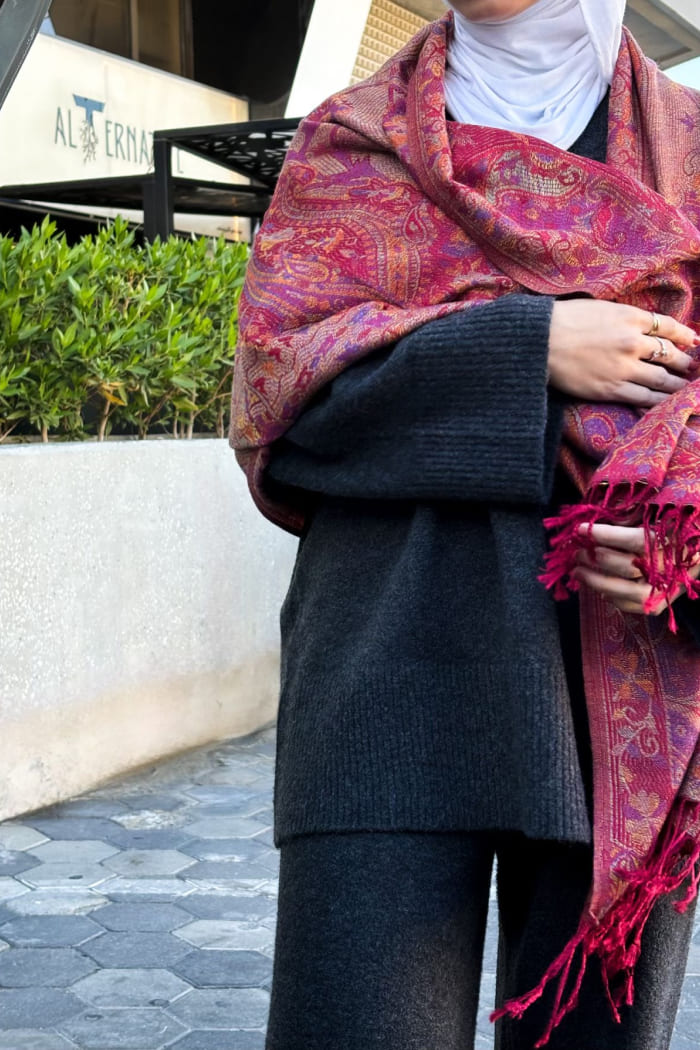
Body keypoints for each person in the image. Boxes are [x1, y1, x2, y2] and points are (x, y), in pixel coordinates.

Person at [230, 2, 700, 1047]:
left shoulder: (691, 149)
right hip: (387, 681)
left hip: (625, 694)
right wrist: (529, 347)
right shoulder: (353, 137)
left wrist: (689, 546)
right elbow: (281, 412)